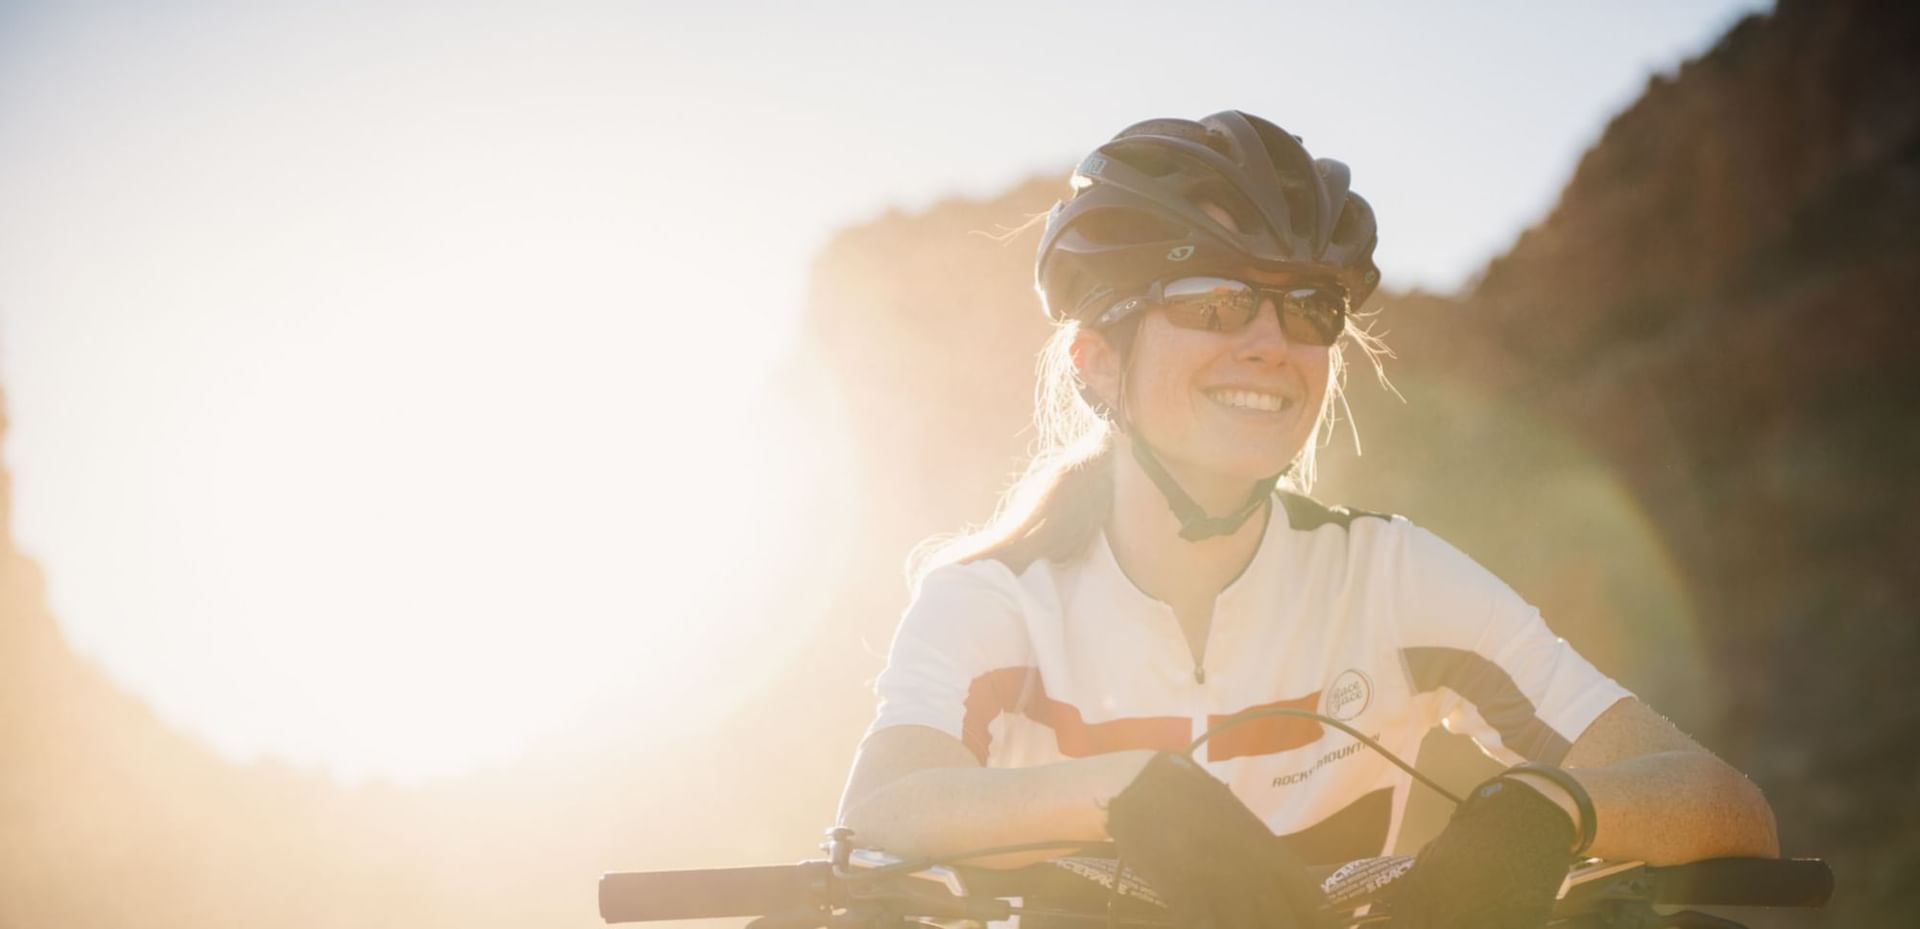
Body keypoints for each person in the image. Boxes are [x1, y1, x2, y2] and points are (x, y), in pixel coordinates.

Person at [836, 111, 1779, 929]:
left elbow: (1719, 803)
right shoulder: (994, 599)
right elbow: (883, 807)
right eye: (1215, 301)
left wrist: (1548, 803)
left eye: (1308, 309)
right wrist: (1123, 793)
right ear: (1095, 358)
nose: (1269, 344)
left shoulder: (1389, 575)